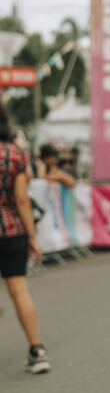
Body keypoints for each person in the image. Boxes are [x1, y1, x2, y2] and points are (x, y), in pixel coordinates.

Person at [0, 101, 50, 373]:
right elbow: (21, 199)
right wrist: (32, 237)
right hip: (11, 230)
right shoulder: (15, 153)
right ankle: (37, 349)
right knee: (19, 290)